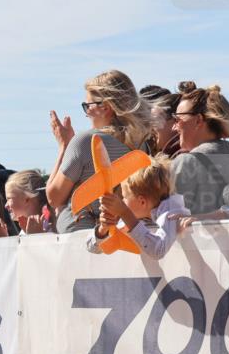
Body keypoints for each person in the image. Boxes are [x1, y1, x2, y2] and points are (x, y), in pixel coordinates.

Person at [46, 69, 154, 233]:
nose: (87, 113)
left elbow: (54, 197)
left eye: (88, 106)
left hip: (81, 236)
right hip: (122, 234)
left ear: (106, 107)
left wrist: (64, 145)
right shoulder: (142, 146)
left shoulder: (86, 141)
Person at [87, 160, 189, 259]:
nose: (123, 202)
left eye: (125, 197)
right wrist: (103, 230)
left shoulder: (172, 213)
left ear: (142, 202)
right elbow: (92, 248)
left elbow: (158, 250)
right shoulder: (137, 216)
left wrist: (125, 212)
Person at [169, 82, 229, 216]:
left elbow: (168, 220)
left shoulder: (186, 162)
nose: (174, 126)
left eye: (177, 119)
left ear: (198, 120)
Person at [0, 170, 53, 237]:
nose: (6, 205)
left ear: (27, 199)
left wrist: (36, 236)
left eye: (9, 199)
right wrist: (3, 238)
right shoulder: (26, 230)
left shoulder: (47, 228)